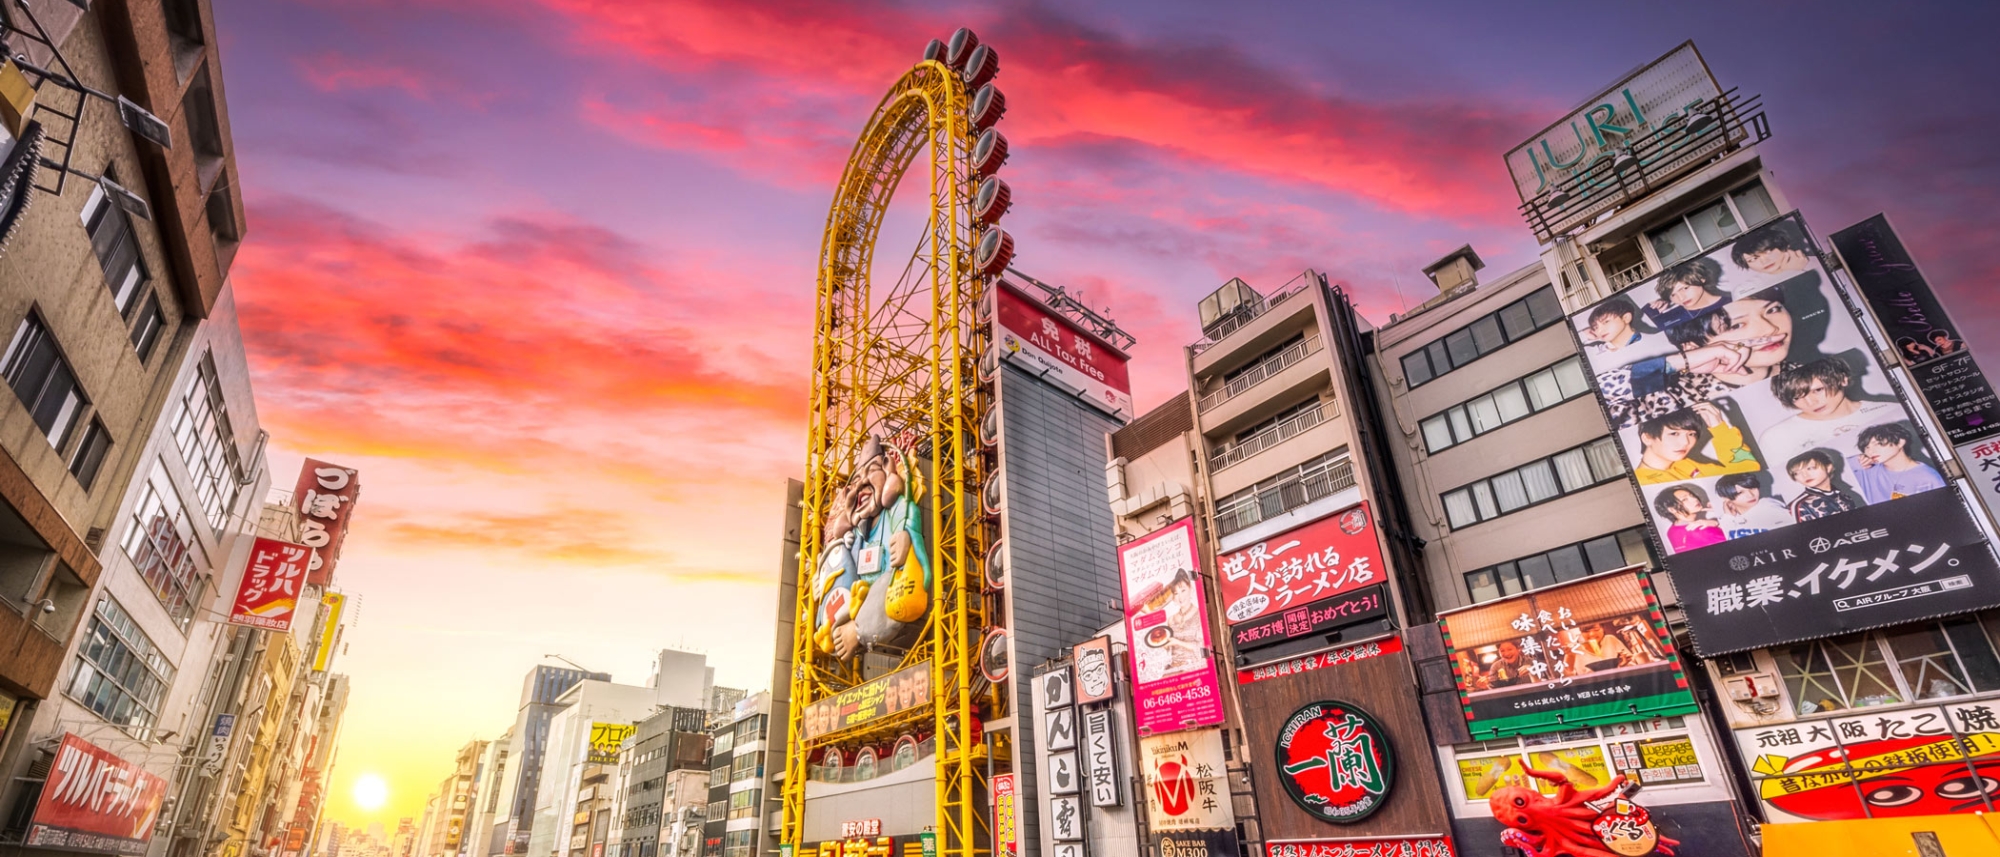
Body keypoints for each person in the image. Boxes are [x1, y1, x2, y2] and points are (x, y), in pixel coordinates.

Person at [1597, 287, 1796, 426]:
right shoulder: (1671, 396)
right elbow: (1600, 398)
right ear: (1693, 346)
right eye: (1736, 325)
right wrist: (1683, 360)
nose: (1770, 329)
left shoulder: (1805, 372)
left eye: (1773, 310)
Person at [1758, 357, 1904, 471]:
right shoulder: (1777, 437)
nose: (1810, 402)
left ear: (1842, 379)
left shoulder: (1891, 411)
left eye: (1818, 390)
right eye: (1797, 397)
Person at [1634, 401, 1762, 485]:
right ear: (1647, 438)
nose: (1685, 442)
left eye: (1691, 434)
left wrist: (1718, 427)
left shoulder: (1684, 465)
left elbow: (1748, 474)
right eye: (1674, 433)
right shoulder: (1642, 482)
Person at [1851, 423, 1946, 504]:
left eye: (1878, 444)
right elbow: (1838, 465)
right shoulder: (1866, 470)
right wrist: (1856, 461)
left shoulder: (1928, 477)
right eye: (1866, 447)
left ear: (1900, 442)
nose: (1870, 452)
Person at [1642, 256, 1731, 328]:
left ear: (1701, 279)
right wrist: (1650, 310)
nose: (1681, 298)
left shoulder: (1730, 301)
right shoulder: (1670, 318)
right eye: (1673, 294)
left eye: (1685, 288)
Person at [1713, 473, 1795, 539]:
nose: (1751, 495)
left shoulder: (1769, 506)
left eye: (1752, 488)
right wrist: (1728, 518)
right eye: (1740, 493)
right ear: (1725, 498)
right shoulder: (1727, 518)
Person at [1787, 451, 1861, 522]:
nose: (1804, 475)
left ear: (1828, 468)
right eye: (1796, 473)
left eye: (1810, 468)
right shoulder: (1799, 505)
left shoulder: (1845, 496)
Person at [1654, 484, 1727, 552]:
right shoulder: (1704, 529)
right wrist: (1718, 523)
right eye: (1685, 499)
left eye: (1692, 495)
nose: (1694, 499)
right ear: (1672, 509)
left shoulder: (1671, 531)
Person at [1730, 220, 1813, 275]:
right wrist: (1792, 271)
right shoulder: (1748, 288)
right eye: (1753, 259)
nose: (1764, 261)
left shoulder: (1815, 262)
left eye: (1768, 252)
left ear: (1784, 246)